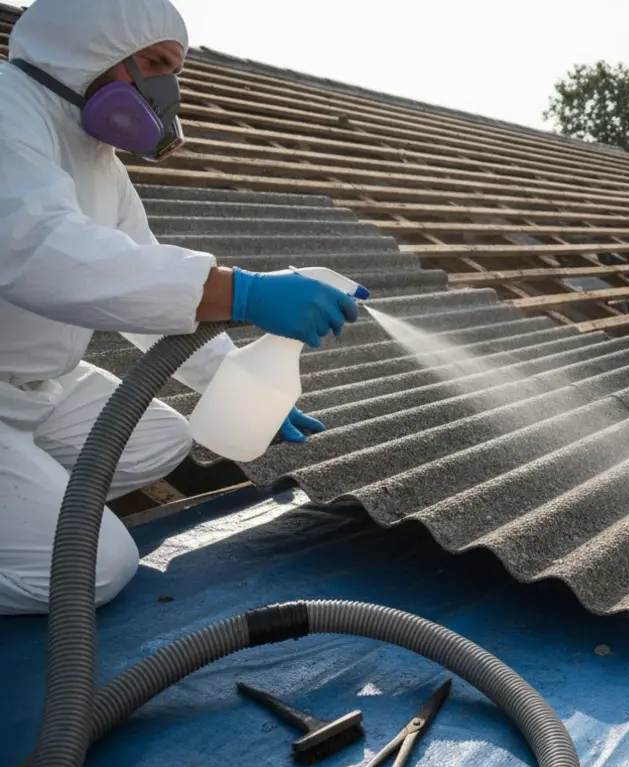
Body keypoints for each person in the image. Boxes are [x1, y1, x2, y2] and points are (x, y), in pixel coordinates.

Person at [0, 0, 365, 615]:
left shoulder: (98, 160)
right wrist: (243, 291)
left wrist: (234, 380)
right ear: (90, 48)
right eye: (153, 64)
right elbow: (39, 252)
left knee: (158, 438)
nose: (166, 88)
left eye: (174, 71)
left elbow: (139, 275)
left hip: (36, 389)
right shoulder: (7, 111)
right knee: (94, 571)